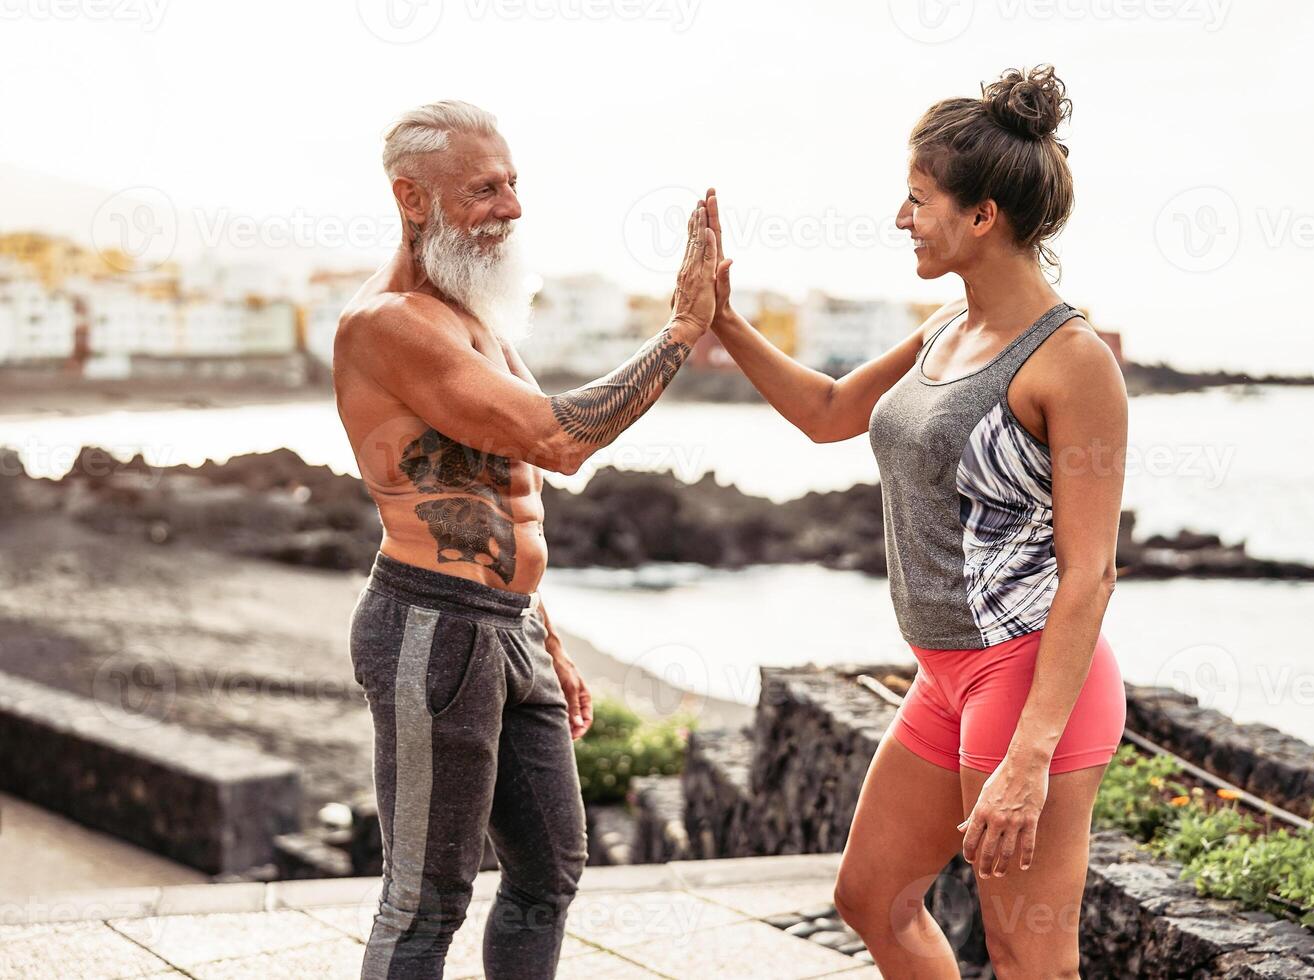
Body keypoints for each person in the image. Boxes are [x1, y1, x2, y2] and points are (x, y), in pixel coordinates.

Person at [706, 65, 1128, 978]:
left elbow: (1090, 573)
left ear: (982, 217)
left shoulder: (1073, 359)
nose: (903, 219)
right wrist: (724, 321)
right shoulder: (945, 327)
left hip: (1023, 679)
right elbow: (826, 413)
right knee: (872, 898)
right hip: (945, 675)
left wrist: (1028, 758)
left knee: (1030, 955)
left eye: (919, 200)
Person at [331, 99, 717, 979]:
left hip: (508, 628)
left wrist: (544, 636)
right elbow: (559, 438)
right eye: (484, 189)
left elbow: (511, 496)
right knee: (425, 902)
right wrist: (682, 332)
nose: (510, 206)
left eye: (513, 184)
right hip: (432, 628)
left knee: (549, 871)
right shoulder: (389, 324)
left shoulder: (473, 318)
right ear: (412, 198)